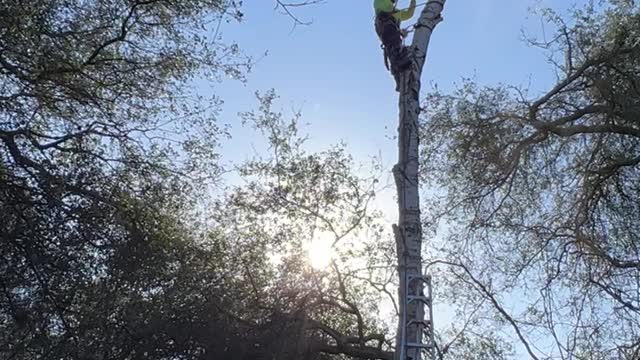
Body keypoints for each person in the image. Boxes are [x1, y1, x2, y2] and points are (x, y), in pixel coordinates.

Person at [374, 0, 417, 86]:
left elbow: (409, 14)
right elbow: (383, 7)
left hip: (391, 32)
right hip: (386, 28)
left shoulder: (397, 12)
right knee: (394, 46)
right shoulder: (380, 3)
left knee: (395, 48)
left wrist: (413, 1)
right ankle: (398, 66)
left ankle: (398, 77)